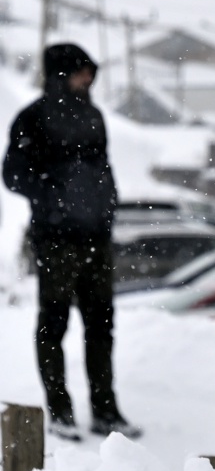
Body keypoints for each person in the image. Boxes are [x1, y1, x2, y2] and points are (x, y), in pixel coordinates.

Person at [2, 43, 137, 441]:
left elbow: (103, 168)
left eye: (90, 72)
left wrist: (108, 207)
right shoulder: (33, 118)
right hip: (56, 240)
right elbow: (13, 174)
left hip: (96, 238)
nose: (88, 79)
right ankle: (59, 411)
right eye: (80, 71)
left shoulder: (94, 116)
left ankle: (105, 410)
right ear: (61, 74)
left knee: (101, 327)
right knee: (54, 325)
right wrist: (54, 199)